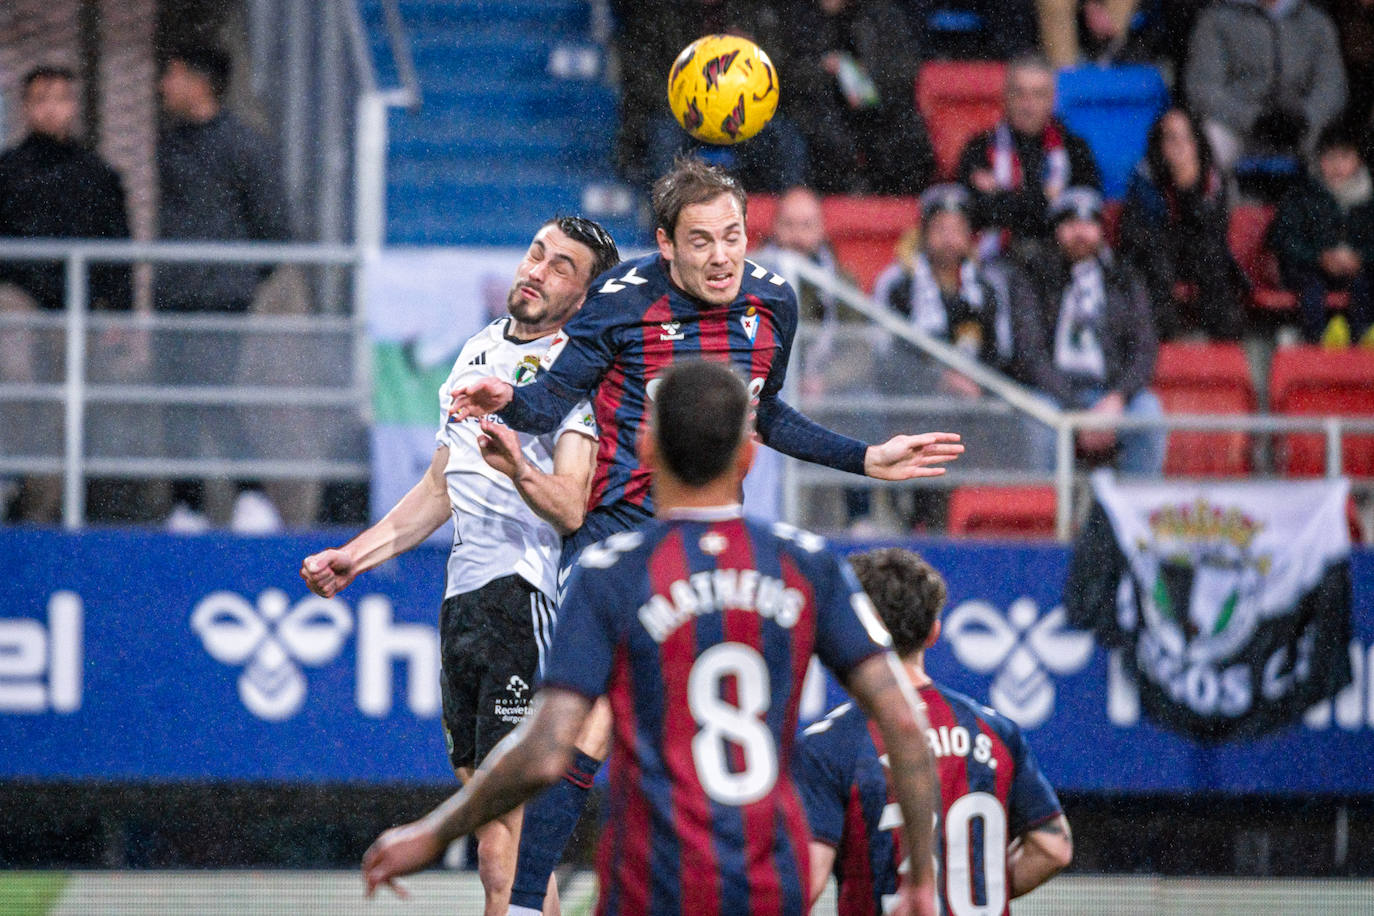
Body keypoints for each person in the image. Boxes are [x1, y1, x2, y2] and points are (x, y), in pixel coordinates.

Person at [450, 156, 963, 914]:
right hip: (616, 533)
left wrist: (865, 459)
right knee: (589, 718)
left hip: (704, 527)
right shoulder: (619, 305)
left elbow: (769, 411)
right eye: (702, 242)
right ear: (665, 244)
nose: (724, 256)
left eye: (734, 236)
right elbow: (554, 397)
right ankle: (527, 901)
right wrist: (510, 397)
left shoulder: (774, 300)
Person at [362, 361, 942, 916]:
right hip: (771, 880)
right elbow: (906, 725)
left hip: (653, 878)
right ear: (748, 455)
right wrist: (918, 877)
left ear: (644, 449)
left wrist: (435, 832)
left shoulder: (612, 572)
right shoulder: (806, 564)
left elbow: (544, 751)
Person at [300, 217, 619, 916]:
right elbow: (443, 485)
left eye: (562, 266)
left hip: (524, 595)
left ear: (585, 296)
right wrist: (354, 556)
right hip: (464, 601)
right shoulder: (478, 350)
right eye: (536, 252)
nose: (537, 269)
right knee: (493, 831)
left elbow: (570, 506)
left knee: (506, 833)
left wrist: (517, 467)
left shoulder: (577, 371)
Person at [794, 547, 1072, 915]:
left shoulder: (827, 745)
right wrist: (968, 891)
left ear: (853, 630)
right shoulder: (996, 731)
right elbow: (1053, 848)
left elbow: (807, 881)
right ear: (934, 632)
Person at [155, 44, 291, 532]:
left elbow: (276, 228)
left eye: (170, 74)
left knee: (212, 393)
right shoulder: (168, 145)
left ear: (198, 80)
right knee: (173, 400)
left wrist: (236, 281)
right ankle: (186, 504)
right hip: (172, 298)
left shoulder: (245, 145)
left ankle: (251, 494)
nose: (162, 85)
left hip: (220, 300)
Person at [0, 64, 132, 523]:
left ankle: (41, 511)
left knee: (63, 419)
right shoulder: (8, 172)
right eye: (41, 99)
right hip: (18, 300)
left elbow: (117, 249)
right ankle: (10, 471)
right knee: (15, 381)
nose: (52, 108)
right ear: (26, 106)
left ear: (74, 105)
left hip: (74, 311)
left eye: (60, 97)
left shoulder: (96, 175)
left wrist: (120, 313)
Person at [1009, 186, 1166, 474]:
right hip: (1054, 395)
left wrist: (1118, 397)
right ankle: (1045, 513)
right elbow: (1029, 353)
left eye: (1088, 224)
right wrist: (1076, 412)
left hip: (1110, 393)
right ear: (1055, 231)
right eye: (1069, 224)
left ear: (1101, 231)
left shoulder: (1124, 279)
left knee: (1148, 411)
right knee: (1036, 418)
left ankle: (1132, 514)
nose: (1079, 232)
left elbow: (1144, 348)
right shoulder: (1032, 277)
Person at [777, 0, 937, 194]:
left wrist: (862, 74)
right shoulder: (802, 17)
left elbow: (903, 75)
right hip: (824, 113)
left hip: (878, 113)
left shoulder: (884, 15)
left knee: (905, 136)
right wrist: (826, 69)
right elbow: (788, 73)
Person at [1118, 107, 1246, 341]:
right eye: (1171, 138)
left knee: (1213, 260)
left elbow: (1215, 231)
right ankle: (1168, 347)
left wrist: (1189, 192)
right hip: (1153, 258)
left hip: (1196, 256)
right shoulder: (1143, 179)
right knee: (1157, 265)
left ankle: (1224, 349)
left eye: (1187, 137)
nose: (1180, 146)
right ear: (1159, 144)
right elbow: (1134, 235)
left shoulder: (1212, 180)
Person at [956, 55, 1100, 260]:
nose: (1028, 105)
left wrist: (1003, 199)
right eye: (1019, 93)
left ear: (1053, 99)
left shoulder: (1075, 149)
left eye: (1038, 94)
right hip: (996, 259)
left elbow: (1086, 215)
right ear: (1005, 97)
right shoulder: (979, 148)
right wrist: (1046, 199)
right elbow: (974, 214)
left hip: (1060, 262)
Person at [1185, 0, 1346, 174]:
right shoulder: (1217, 18)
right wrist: (1254, 119)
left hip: (1300, 123)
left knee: (1334, 149)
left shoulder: (1315, 21)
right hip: (1238, 124)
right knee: (1211, 141)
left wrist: (1305, 117)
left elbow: (1332, 86)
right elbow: (1204, 88)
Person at [1269, 123, 1374, 346]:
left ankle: (1363, 339)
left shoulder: (1369, 199)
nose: (1336, 165)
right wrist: (1318, 257)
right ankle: (1317, 340)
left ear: (1359, 160)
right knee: (1312, 288)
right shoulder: (1302, 194)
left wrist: (1361, 257)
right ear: (1319, 160)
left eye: (1344, 157)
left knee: (1365, 285)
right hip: (1311, 271)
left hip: (1357, 271)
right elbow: (1282, 238)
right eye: (1330, 157)